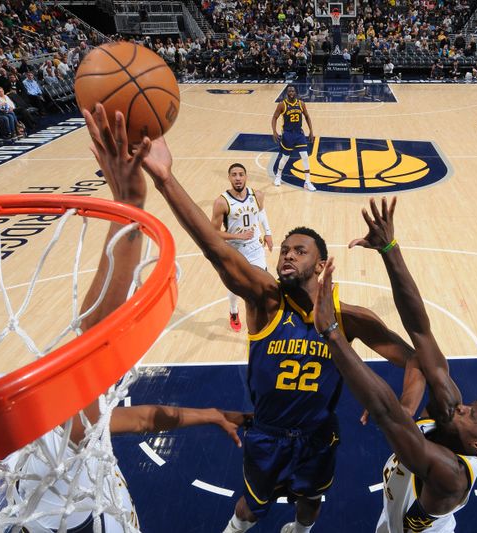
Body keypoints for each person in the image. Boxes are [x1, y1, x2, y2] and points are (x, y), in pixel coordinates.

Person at [0, 104, 250, 533]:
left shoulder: (51, 435)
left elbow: (131, 420)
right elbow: (90, 344)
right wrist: (129, 207)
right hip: (96, 520)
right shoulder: (60, 430)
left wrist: (206, 414)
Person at [139, 134, 423, 533]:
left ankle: (301, 531)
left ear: (321, 264)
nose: (287, 253)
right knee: (252, 508)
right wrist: (165, 180)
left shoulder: (349, 317)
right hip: (267, 436)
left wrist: (404, 410)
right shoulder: (266, 300)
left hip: (318, 438)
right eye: (284, 249)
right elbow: (214, 247)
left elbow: (415, 359)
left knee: (309, 505)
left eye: (299, 250)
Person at [312, 197, 477, 532]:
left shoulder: (450, 474)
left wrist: (333, 334)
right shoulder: (451, 408)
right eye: (474, 405)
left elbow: (386, 414)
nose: (464, 407)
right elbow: (420, 332)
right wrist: (389, 248)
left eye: (474, 414)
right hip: (394, 517)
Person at [211, 163, 274, 331]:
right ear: (229, 178)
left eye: (240, 174)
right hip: (235, 250)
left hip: (255, 248)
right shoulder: (221, 202)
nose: (237, 178)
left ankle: (265, 315)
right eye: (234, 175)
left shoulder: (257, 195)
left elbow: (261, 213)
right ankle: (233, 311)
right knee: (235, 286)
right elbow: (213, 232)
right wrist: (237, 236)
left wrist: (268, 233)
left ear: (246, 176)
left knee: (263, 283)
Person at [272, 85, 316, 191]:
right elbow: (274, 117)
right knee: (285, 157)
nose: (291, 92)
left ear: (296, 92)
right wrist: (274, 131)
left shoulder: (301, 103)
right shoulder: (282, 104)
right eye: (289, 91)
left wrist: (311, 131)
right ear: (287, 93)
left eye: (293, 90)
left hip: (299, 134)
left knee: (305, 156)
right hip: (288, 134)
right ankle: (278, 176)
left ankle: (307, 182)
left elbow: (307, 116)